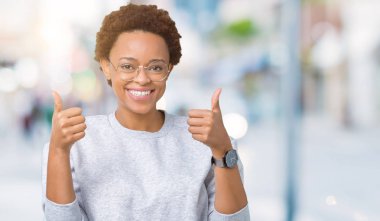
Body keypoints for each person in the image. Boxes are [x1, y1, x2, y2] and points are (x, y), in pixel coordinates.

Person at [42, 3, 250, 221]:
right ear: (105, 66)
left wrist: (223, 149)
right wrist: (58, 152)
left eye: (156, 67)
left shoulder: (208, 142)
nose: (142, 79)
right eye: (127, 66)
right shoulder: (75, 145)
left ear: (169, 69)